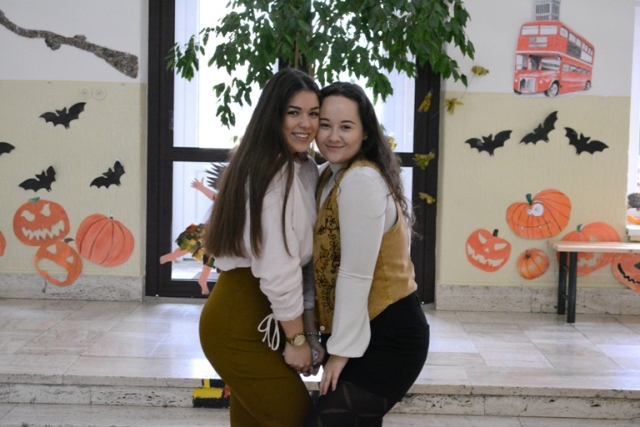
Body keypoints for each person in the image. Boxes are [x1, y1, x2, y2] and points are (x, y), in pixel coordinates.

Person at [199, 67, 325, 426]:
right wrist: (297, 340)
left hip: (264, 318)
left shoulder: (303, 167)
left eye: (313, 113)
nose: (305, 124)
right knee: (297, 418)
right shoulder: (273, 172)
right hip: (238, 322)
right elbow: (277, 268)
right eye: (293, 112)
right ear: (274, 115)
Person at [305, 82, 430, 426]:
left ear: (365, 133)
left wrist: (340, 351)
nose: (333, 136)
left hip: (389, 336)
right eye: (325, 125)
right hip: (357, 330)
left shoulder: (361, 179)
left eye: (346, 127)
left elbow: (355, 274)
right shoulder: (329, 174)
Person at [159, 178, 217, 295]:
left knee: (210, 259)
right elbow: (213, 195)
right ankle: (170, 256)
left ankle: (202, 280)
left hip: (216, 237)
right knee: (188, 245)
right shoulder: (223, 200)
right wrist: (201, 187)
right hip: (206, 231)